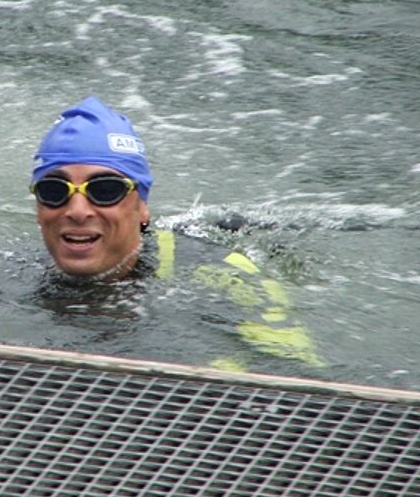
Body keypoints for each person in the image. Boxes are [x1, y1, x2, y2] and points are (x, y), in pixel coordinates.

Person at [29, 95, 325, 370]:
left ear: (142, 207)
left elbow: (296, 376)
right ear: (39, 209)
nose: (77, 210)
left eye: (105, 190)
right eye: (54, 191)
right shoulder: (10, 271)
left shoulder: (227, 277)